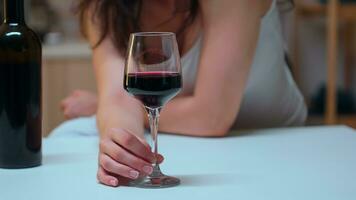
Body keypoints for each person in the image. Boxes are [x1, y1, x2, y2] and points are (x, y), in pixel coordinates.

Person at [54, 0, 306, 187]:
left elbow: (211, 117)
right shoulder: (104, 6)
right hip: (187, 140)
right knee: (66, 134)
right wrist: (122, 152)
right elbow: (118, 99)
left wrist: (101, 104)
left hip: (275, 142)